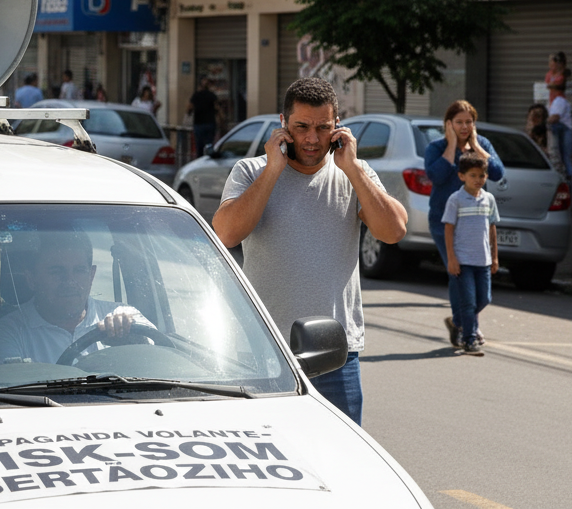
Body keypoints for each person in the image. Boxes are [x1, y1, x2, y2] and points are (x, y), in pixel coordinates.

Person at [212, 77, 407, 425]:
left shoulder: (353, 173)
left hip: (335, 354)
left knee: (341, 460)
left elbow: (393, 231)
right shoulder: (252, 171)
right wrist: (273, 169)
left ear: (338, 128)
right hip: (263, 350)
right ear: (283, 125)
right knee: (266, 458)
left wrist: (353, 169)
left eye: (322, 128)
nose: (312, 139)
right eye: (302, 127)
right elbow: (225, 233)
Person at [0, 233, 153, 366]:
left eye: (79, 270)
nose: (69, 281)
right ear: (32, 279)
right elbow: (5, 393)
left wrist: (134, 340)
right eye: (57, 271)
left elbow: (164, 363)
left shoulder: (122, 316)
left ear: (91, 275)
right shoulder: (11, 331)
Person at [424, 100, 504, 347]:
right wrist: (451, 146)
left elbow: (498, 173)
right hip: (444, 221)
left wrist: (477, 147)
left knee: (474, 281)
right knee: (458, 273)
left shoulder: (481, 146)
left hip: (476, 222)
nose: (464, 126)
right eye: (458, 122)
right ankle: (470, 328)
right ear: (448, 124)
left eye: (468, 122)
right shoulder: (436, 147)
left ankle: (461, 323)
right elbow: (436, 175)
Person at [442, 153, 500, 357]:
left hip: (482, 260)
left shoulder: (489, 199)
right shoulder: (455, 200)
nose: (478, 180)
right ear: (461, 176)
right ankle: (469, 340)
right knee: (468, 302)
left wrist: (494, 257)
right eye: (473, 175)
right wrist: (451, 258)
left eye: (482, 175)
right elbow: (448, 229)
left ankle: (456, 322)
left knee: (484, 299)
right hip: (463, 261)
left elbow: (492, 228)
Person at [186, 78, 219, 159]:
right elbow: (217, 108)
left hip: (199, 124)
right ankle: (208, 159)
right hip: (210, 123)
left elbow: (189, 108)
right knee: (209, 144)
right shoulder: (212, 95)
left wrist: (189, 113)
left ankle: (200, 160)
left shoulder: (196, 95)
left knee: (199, 145)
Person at [547, 87, 572, 180]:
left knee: (565, 156)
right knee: (565, 156)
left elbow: (555, 117)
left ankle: (569, 175)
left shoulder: (559, 101)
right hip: (565, 130)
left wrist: (544, 123)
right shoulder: (559, 101)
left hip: (564, 130)